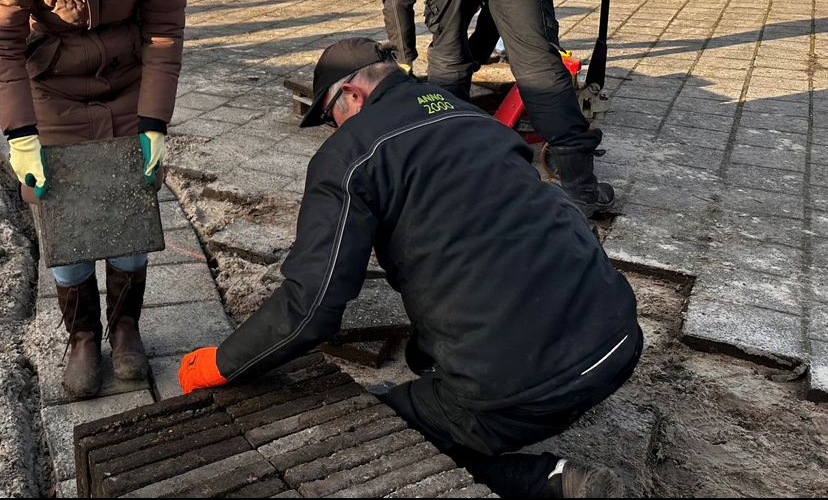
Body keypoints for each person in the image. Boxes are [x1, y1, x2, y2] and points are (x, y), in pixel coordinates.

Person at [177, 38, 642, 499]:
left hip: (518, 389)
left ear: (353, 95)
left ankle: (549, 482)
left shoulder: (350, 156)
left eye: (328, 116)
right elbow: (487, 244)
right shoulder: (472, 116)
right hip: (617, 339)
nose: (331, 130)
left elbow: (312, 307)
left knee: (368, 441)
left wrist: (224, 363)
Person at [0, 0, 186, 400]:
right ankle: (82, 337)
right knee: (64, 219)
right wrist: (21, 135)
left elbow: (166, 28)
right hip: (53, 91)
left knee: (129, 214)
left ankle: (125, 330)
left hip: (128, 84)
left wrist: (154, 121)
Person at [382, 0, 613, 216]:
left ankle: (448, 176)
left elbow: (396, 1)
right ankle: (581, 189)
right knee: (538, 63)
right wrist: (476, 54)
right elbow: (496, 9)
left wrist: (405, 58)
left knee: (447, 57)